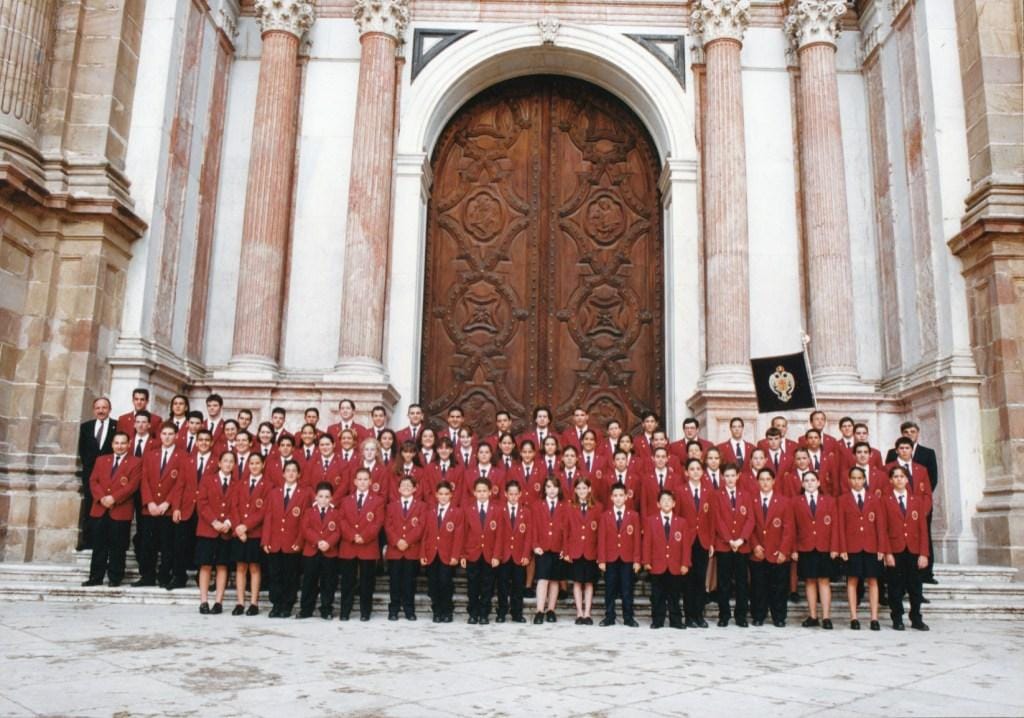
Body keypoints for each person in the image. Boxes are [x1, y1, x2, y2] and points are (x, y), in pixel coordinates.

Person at [82, 431, 141, 587]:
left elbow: (132, 485)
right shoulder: (101, 460)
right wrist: (102, 498)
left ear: (129, 445)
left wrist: (114, 498)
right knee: (99, 545)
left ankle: (115, 578)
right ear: (112, 444)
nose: (119, 446)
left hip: (120, 510)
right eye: (116, 443)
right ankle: (95, 577)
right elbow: (93, 480)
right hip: (100, 508)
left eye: (123, 443)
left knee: (118, 546)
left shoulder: (135, 462)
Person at [135, 424, 185, 587]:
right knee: (147, 544)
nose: (167, 437)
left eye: (171, 434)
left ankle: (164, 576)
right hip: (150, 508)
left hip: (167, 509)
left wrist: (167, 502)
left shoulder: (182, 456)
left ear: (176, 436)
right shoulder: (150, 455)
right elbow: (144, 480)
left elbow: (180, 483)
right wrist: (149, 502)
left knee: (167, 544)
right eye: (164, 434)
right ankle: (147, 575)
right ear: (159, 436)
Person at [838, 466, 886, 630]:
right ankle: (854, 617)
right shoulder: (843, 499)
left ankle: (874, 618)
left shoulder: (874, 499)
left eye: (860, 478)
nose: (857, 481)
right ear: (849, 480)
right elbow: (840, 526)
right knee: (852, 580)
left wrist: (882, 547)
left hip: (871, 546)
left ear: (864, 480)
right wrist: (842, 548)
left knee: (873, 581)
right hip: (852, 547)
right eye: (854, 478)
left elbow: (880, 525)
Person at [883, 465, 930, 630]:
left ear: (907, 479)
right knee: (895, 586)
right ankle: (897, 618)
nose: (899, 479)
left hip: (914, 549)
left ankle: (916, 618)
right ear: (890, 480)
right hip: (895, 550)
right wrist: (887, 553)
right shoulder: (885, 501)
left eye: (902, 476)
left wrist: (924, 553)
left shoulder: (916, 501)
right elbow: (883, 529)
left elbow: (923, 529)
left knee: (915, 586)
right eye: (895, 477)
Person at [791, 471, 839, 629]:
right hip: (805, 547)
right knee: (809, 581)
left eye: (813, 480)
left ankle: (826, 617)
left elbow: (835, 526)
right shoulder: (796, 501)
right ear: (802, 484)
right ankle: (813, 616)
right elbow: (793, 527)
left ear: (819, 482)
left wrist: (834, 547)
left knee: (824, 581)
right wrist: (794, 549)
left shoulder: (829, 501)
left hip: (824, 547)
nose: (810, 483)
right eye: (806, 480)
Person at [168, 429, 215, 590]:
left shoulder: (216, 462)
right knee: (180, 544)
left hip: (206, 510)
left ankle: (201, 577)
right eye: (200, 440)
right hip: (187, 509)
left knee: (203, 545)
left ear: (212, 443)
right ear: (196, 442)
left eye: (207, 440)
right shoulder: (187, 460)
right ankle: (178, 576)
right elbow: (179, 485)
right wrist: (176, 507)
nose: (203, 442)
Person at [262, 460, 307, 618]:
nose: (291, 473)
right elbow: (268, 517)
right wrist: (265, 540)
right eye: (288, 470)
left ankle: (287, 605)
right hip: (275, 541)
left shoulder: (304, 493)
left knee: (290, 575)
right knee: (275, 575)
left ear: (299, 474)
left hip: (292, 543)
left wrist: (299, 541)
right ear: (283, 473)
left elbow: (305, 521)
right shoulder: (274, 492)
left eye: (294, 470)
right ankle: (276, 604)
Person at [338, 467, 384, 621]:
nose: (363, 482)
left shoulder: (378, 501)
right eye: (360, 479)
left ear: (370, 482)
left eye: (366, 479)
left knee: (367, 582)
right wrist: (352, 536)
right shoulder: (346, 500)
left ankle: (365, 612)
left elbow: (377, 523)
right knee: (347, 581)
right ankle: (345, 611)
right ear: (355, 481)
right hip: (349, 546)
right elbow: (342, 521)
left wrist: (363, 536)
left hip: (368, 545)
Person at [750, 468, 794, 627]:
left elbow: (788, 529)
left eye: (768, 479)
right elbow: (750, 526)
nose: (765, 482)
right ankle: (758, 615)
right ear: (757, 482)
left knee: (780, 586)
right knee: (758, 586)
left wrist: (783, 550)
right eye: (761, 479)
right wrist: (755, 545)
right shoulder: (752, 500)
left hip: (778, 552)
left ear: (774, 481)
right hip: (758, 552)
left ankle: (779, 616)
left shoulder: (784, 501)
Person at [643, 490, 692, 629]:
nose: (666, 502)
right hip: (657, 564)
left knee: (674, 595)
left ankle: (676, 620)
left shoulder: (681, 522)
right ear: (658, 504)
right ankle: (657, 620)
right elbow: (647, 542)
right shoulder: (651, 521)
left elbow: (686, 546)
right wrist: (646, 561)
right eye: (663, 500)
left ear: (674, 503)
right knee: (657, 595)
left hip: (675, 565)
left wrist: (685, 563)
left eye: (669, 500)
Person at [195, 451, 237, 614]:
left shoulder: (236, 484)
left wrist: (227, 522)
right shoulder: (207, 480)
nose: (227, 464)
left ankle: (218, 601)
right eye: (225, 461)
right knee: (205, 566)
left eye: (231, 461)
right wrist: (214, 522)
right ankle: (204, 601)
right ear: (219, 463)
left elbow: (236, 507)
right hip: (208, 529)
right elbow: (202, 504)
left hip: (225, 531)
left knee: (222, 565)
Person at [229, 454, 270, 616]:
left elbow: (263, 511)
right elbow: (234, 507)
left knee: (254, 567)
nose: (254, 466)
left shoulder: (268, 485)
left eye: (257, 463)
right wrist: (239, 528)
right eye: (251, 463)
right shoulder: (241, 484)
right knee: (240, 567)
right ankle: (240, 602)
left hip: (254, 533)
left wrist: (246, 526)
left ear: (263, 464)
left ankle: (253, 602)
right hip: (239, 532)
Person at [678, 458, 715, 628]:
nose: (695, 472)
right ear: (686, 472)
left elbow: (712, 519)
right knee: (687, 580)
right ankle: (689, 616)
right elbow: (677, 518)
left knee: (701, 579)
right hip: (686, 541)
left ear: (702, 472)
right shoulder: (680, 491)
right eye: (691, 469)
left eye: (698, 469)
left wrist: (712, 542)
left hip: (703, 541)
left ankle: (699, 615)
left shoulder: (709, 491)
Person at [714, 466, 754, 627]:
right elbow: (718, 519)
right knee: (723, 582)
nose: (730, 479)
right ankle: (724, 615)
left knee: (742, 582)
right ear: (722, 477)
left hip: (741, 546)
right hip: (724, 545)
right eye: (727, 476)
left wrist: (741, 539)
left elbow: (750, 519)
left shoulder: (746, 495)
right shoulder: (717, 495)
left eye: (733, 475)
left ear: (738, 476)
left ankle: (741, 616)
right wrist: (729, 539)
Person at [597, 482, 641, 627]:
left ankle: (628, 617)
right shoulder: (605, 516)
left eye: (621, 495)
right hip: (610, 558)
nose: (618, 498)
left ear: (626, 497)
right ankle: (609, 616)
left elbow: (636, 540)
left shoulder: (633, 516)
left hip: (627, 558)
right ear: (611, 498)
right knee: (610, 588)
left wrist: (636, 560)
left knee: (627, 589)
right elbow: (601, 539)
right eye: (615, 496)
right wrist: (602, 559)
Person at [461, 478, 502, 624]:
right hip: (472, 553)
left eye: (485, 491)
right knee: (473, 585)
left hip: (489, 555)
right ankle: (473, 613)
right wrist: (463, 554)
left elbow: (499, 535)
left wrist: (497, 555)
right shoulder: (468, 509)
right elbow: (463, 533)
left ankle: (484, 613)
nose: (482, 494)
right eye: (479, 491)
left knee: (487, 585)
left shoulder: (497, 509)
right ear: (474, 493)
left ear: (490, 492)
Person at [77, 397, 117, 550]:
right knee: (89, 506)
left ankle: (106, 542)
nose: (101, 411)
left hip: (109, 476)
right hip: (90, 475)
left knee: (107, 508)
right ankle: (88, 541)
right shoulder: (86, 427)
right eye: (98, 408)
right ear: (94, 410)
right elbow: (83, 450)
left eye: (104, 407)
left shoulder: (116, 426)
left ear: (109, 409)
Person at [420, 481, 462, 622]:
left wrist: (455, 555)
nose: (443, 497)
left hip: (447, 554)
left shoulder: (456, 512)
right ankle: (436, 610)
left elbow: (458, 536)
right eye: (441, 494)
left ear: (451, 495)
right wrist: (422, 554)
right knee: (433, 583)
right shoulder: (430, 512)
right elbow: (425, 535)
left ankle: (447, 610)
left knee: (445, 582)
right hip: (432, 554)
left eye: (446, 494)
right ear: (436, 495)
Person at [299, 482, 342, 620]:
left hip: (329, 552)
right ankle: (306, 609)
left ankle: (326, 609)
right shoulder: (308, 512)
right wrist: (318, 541)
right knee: (309, 581)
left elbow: (337, 531)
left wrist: (328, 543)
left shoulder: (336, 513)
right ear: (316, 497)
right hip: (311, 550)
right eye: (321, 496)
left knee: (328, 582)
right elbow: (306, 529)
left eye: (327, 497)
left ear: (331, 498)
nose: (324, 499)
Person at [386, 476, 425, 621]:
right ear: (398, 489)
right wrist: (397, 541)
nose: (406, 487)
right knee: (394, 581)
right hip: (395, 550)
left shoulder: (421, 506)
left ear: (415, 488)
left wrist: (407, 541)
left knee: (410, 581)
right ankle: (394, 609)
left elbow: (420, 526)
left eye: (410, 485)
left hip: (411, 550)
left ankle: (409, 609)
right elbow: (388, 526)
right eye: (403, 485)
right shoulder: (391, 506)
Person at [563, 477, 601, 625]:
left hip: (591, 551)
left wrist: (599, 553)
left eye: (584, 488)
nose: (582, 491)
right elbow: (566, 530)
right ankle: (579, 612)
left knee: (590, 583)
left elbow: (600, 532)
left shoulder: (598, 507)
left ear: (590, 489)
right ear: (575, 490)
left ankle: (587, 613)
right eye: (579, 488)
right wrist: (566, 551)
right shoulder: (570, 507)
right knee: (578, 582)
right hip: (575, 550)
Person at [532, 476, 567, 624]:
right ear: (544, 489)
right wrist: (535, 545)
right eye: (548, 487)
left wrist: (565, 548)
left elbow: (567, 529)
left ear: (559, 489)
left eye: (554, 487)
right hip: (543, 548)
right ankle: (539, 610)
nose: (551, 490)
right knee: (542, 579)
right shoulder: (537, 506)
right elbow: (533, 526)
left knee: (554, 580)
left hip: (558, 548)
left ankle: (551, 609)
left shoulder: (564, 506)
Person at [495, 480, 531, 623]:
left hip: (519, 555)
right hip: (503, 555)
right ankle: (501, 612)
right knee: (502, 585)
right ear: (505, 494)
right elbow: (497, 535)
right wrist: (497, 555)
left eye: (516, 494)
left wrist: (526, 554)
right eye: (511, 494)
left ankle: (517, 613)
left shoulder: (526, 512)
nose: (513, 497)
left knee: (518, 585)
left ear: (520, 494)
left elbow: (528, 536)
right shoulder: (500, 510)